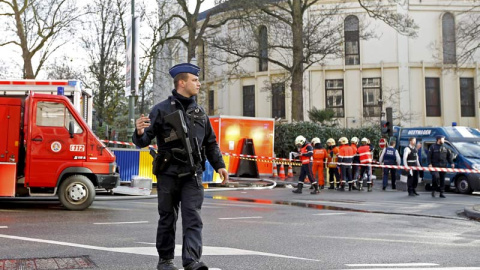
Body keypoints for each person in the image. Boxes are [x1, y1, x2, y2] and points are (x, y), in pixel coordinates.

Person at [132, 63, 229, 270]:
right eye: (195, 80)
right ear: (182, 82)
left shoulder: (200, 112)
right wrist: (140, 133)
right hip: (168, 174)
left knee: (193, 217)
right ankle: (165, 261)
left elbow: (210, 142)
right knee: (168, 217)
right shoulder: (160, 109)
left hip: (193, 174)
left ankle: (191, 261)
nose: (199, 84)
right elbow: (144, 140)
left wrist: (220, 165)